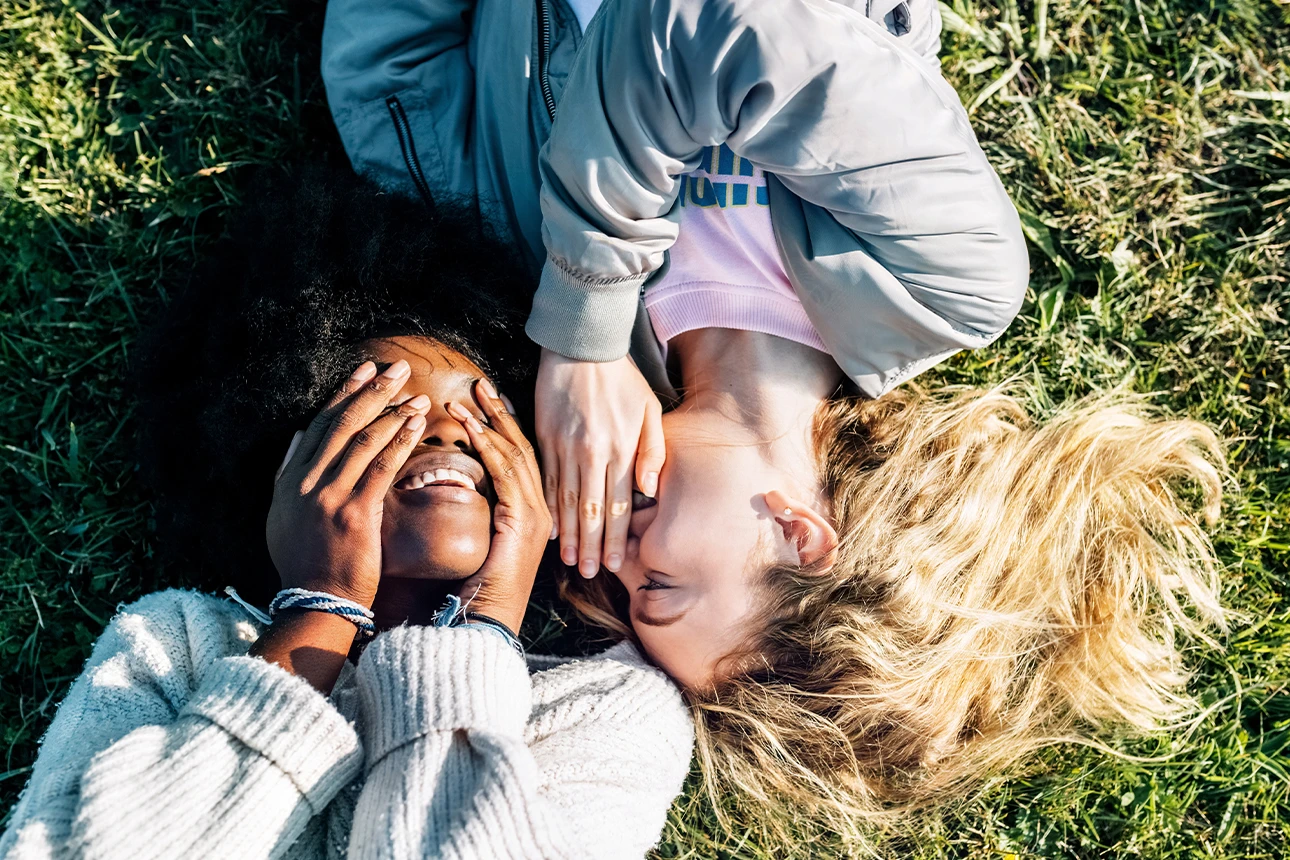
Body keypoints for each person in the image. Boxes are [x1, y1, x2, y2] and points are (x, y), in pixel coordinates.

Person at [320, 0, 1227, 842]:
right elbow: (707, 25)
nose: (608, 557)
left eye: (626, 601)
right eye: (661, 588)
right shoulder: (944, 282)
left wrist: (559, 324)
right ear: (801, 535)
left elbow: (392, 81)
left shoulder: (514, 294)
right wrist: (588, 320)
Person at [0, 171, 693, 860]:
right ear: (285, 470)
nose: (447, 433)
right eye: (388, 414)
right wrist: (318, 611)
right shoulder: (170, 648)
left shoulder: (612, 705)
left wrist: (483, 635)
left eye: (482, 411)